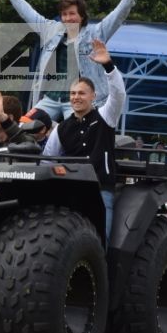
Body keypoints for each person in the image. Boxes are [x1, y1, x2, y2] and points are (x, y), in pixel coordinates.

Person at [0, 0, 150, 121]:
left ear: (82, 15)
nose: (68, 18)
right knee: (26, 125)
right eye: (64, 14)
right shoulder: (52, 30)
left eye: (72, 14)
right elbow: (28, 13)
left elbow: (118, 16)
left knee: (76, 134)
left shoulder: (95, 33)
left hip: (77, 102)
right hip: (50, 99)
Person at [42, 38, 125, 241]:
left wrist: (108, 64)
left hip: (101, 191)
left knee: (99, 242)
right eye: (72, 93)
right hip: (70, 193)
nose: (76, 97)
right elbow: (46, 161)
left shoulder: (106, 116)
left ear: (93, 96)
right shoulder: (61, 129)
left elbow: (119, 94)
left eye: (81, 93)